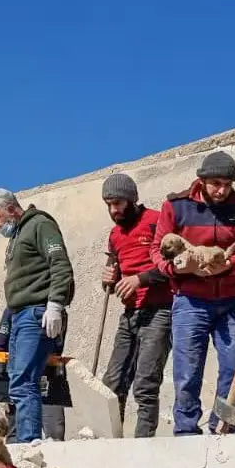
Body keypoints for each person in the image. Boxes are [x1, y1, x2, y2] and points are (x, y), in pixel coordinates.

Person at [152, 151, 235, 435]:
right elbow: (156, 250)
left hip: (232, 301)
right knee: (187, 370)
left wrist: (230, 266)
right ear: (201, 180)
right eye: (215, 183)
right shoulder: (175, 206)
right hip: (190, 300)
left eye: (227, 184)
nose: (222, 190)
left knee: (233, 367)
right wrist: (178, 269)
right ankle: (187, 431)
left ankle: (223, 428)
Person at [0, 187, 75, 445]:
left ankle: (28, 442)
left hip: (36, 314)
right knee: (17, 381)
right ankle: (24, 440)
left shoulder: (40, 225)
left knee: (24, 380)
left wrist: (55, 304)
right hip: (19, 316)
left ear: (11, 209)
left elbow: (60, 263)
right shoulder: (18, 235)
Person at [97, 172, 173, 438]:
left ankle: (143, 444)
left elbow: (174, 266)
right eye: (108, 204)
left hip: (161, 310)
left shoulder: (156, 222)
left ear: (131, 199)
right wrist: (109, 278)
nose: (113, 210)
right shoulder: (115, 235)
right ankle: (110, 441)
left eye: (117, 203)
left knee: (145, 383)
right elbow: (113, 274)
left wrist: (139, 279)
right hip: (130, 314)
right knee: (111, 383)